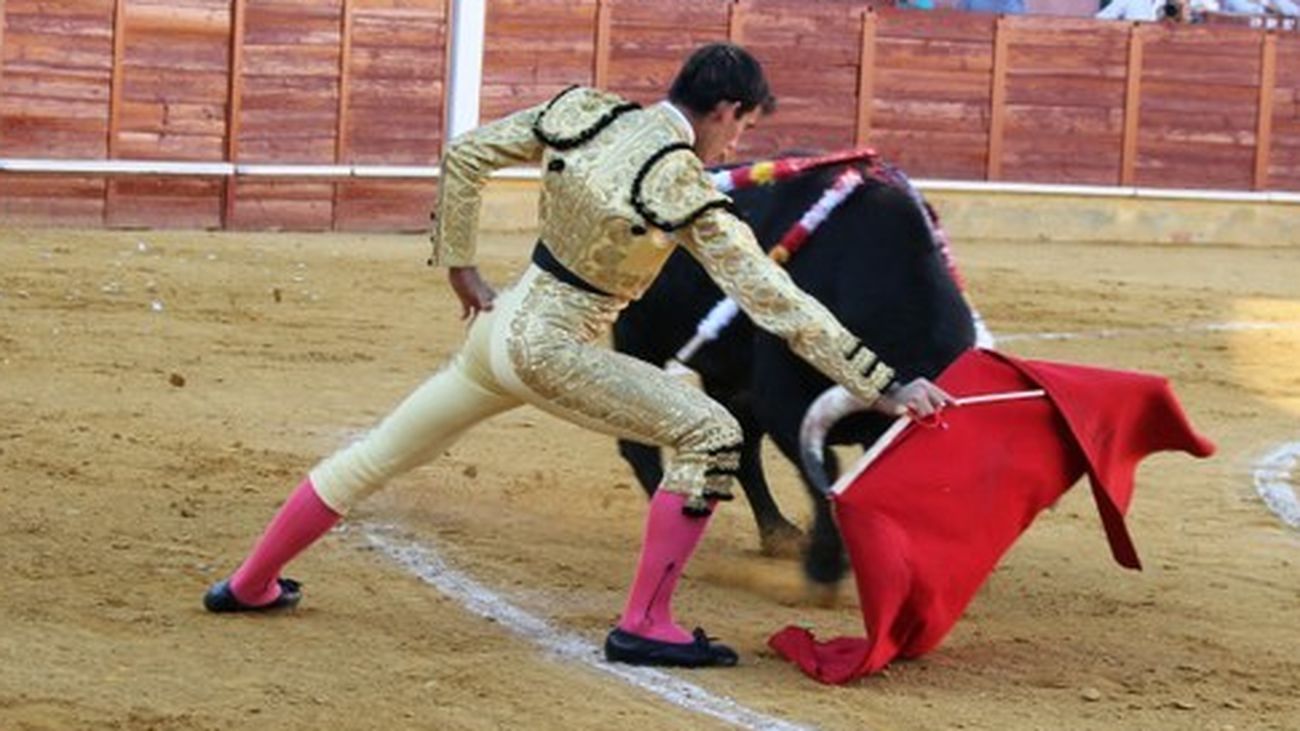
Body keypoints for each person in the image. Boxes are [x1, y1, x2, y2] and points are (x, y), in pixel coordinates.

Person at [201, 43, 952, 669]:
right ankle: (646, 623)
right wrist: (884, 382)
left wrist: (460, 264)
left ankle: (249, 582)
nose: (738, 145)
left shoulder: (588, 111)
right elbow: (774, 301)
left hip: (497, 329)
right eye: (743, 126)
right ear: (723, 111)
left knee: (374, 455)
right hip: (550, 350)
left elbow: (466, 154)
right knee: (713, 432)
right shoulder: (679, 183)